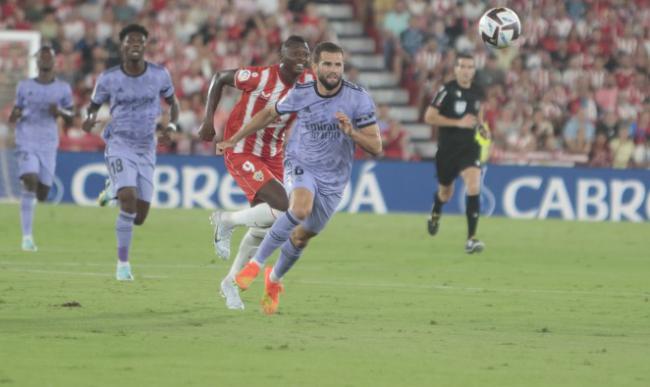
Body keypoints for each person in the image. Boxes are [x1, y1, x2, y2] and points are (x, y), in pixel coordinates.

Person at [217, 42, 382, 315]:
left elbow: (376, 147)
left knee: (302, 237)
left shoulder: (358, 98)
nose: (333, 70)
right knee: (298, 208)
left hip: (334, 178)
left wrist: (351, 132)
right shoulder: (302, 92)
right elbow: (269, 113)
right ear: (315, 67)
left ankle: (274, 279)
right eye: (327, 64)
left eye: (338, 64)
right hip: (300, 163)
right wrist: (234, 138)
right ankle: (253, 267)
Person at [197, 36, 314, 310]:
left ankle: (230, 283)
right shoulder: (260, 77)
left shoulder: (307, 83)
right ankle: (226, 221)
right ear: (281, 56)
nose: (301, 60)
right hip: (241, 148)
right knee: (285, 207)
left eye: (305, 55)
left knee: (267, 225)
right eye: (295, 55)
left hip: (273, 156)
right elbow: (219, 77)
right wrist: (208, 120)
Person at [82, 24, 179, 281]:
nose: (135, 44)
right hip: (119, 143)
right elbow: (93, 107)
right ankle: (122, 265)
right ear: (122, 45)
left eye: (140, 40)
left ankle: (111, 189)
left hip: (147, 146)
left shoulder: (159, 74)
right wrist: (89, 119)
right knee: (128, 196)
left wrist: (171, 126)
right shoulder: (109, 78)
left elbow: (173, 103)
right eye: (130, 40)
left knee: (139, 217)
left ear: (145, 45)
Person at [9, 45, 74, 251]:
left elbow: (71, 116)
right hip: (26, 138)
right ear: (37, 62)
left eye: (49, 57)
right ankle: (27, 237)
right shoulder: (24, 85)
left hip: (48, 143)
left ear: (54, 62)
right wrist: (15, 115)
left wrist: (60, 111)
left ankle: (32, 196)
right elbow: (15, 112)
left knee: (43, 192)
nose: (45, 60)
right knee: (30, 180)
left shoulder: (63, 88)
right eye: (42, 57)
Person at [423, 52, 487, 254]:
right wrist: (458, 122)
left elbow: (478, 113)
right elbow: (429, 117)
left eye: (470, 67)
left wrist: (481, 127)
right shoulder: (446, 91)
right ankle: (436, 210)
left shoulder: (478, 91)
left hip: (469, 149)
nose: (467, 71)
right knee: (446, 193)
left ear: (474, 70)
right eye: (463, 66)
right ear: (456, 69)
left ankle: (471, 238)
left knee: (474, 184)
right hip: (447, 150)